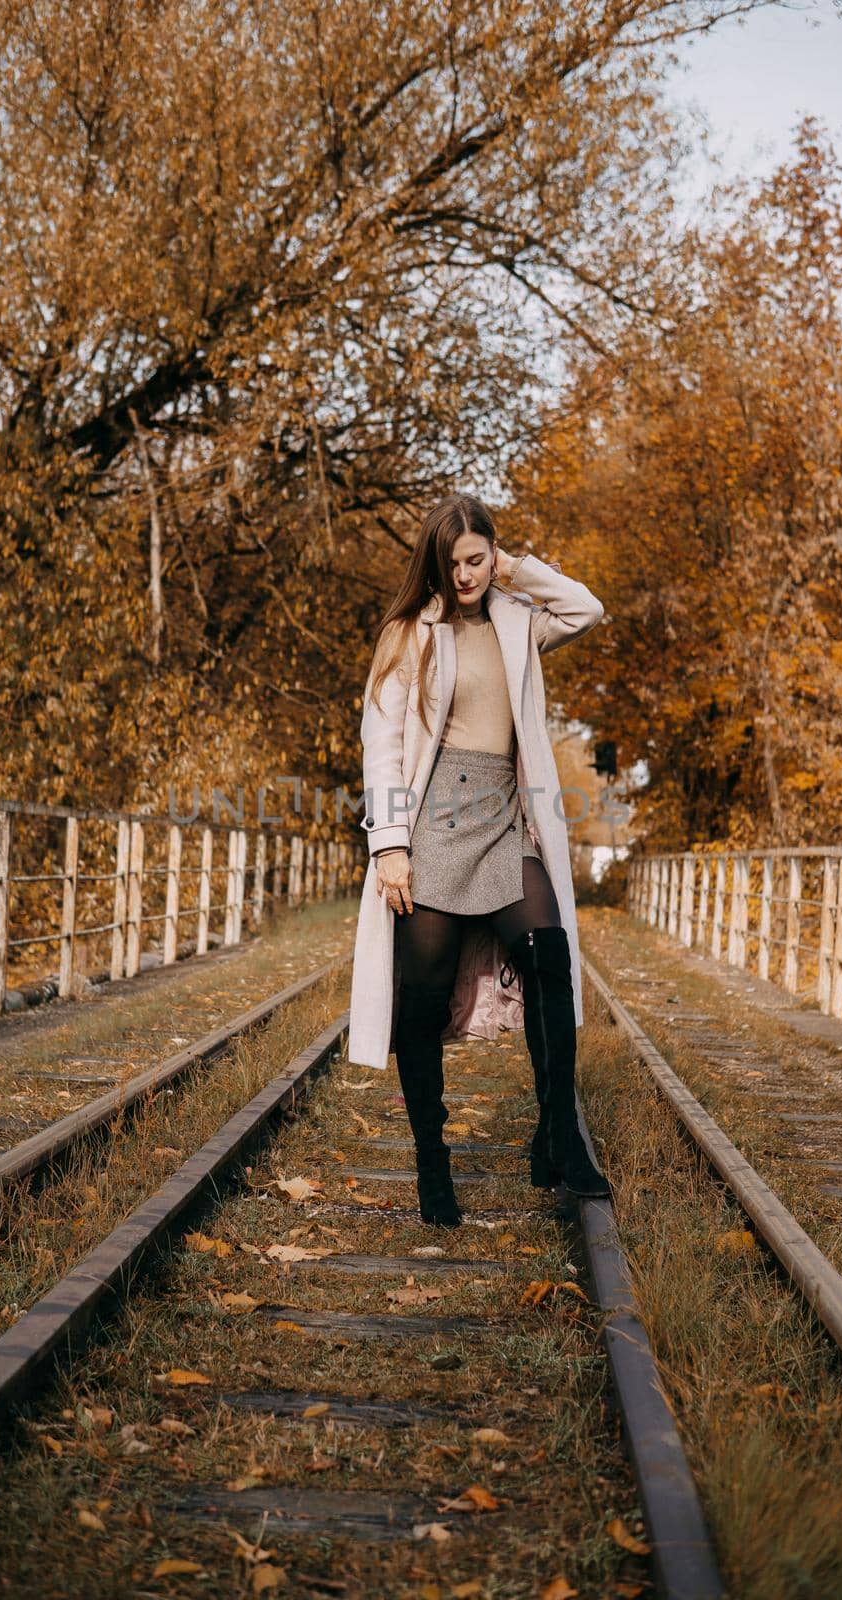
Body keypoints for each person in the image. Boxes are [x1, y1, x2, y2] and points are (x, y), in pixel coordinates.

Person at [347, 493, 611, 1227]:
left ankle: (559, 1134)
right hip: (431, 822)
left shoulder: (518, 621)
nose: (465, 575)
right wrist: (389, 846)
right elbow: (384, 747)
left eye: (476, 558)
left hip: (503, 816)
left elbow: (586, 608)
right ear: (434, 564)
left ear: (491, 554)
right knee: (424, 998)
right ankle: (433, 1161)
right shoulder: (409, 634)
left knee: (546, 951)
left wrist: (516, 566)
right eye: (453, 562)